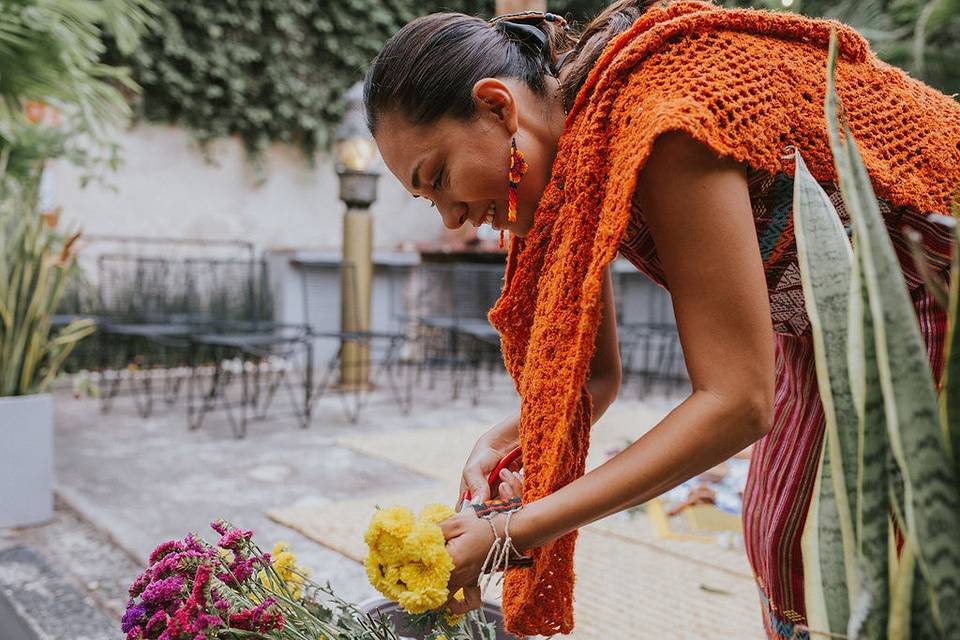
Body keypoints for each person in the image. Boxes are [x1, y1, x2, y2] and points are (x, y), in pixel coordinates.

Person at [363, 1, 960, 637]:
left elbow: (737, 401)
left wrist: (515, 529)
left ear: (498, 107)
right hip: (821, 334)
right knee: (783, 539)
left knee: (853, 562)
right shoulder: (579, 166)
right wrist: (503, 442)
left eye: (439, 178)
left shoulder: (665, 120)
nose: (450, 217)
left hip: (931, 297)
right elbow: (592, 381)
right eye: (428, 201)